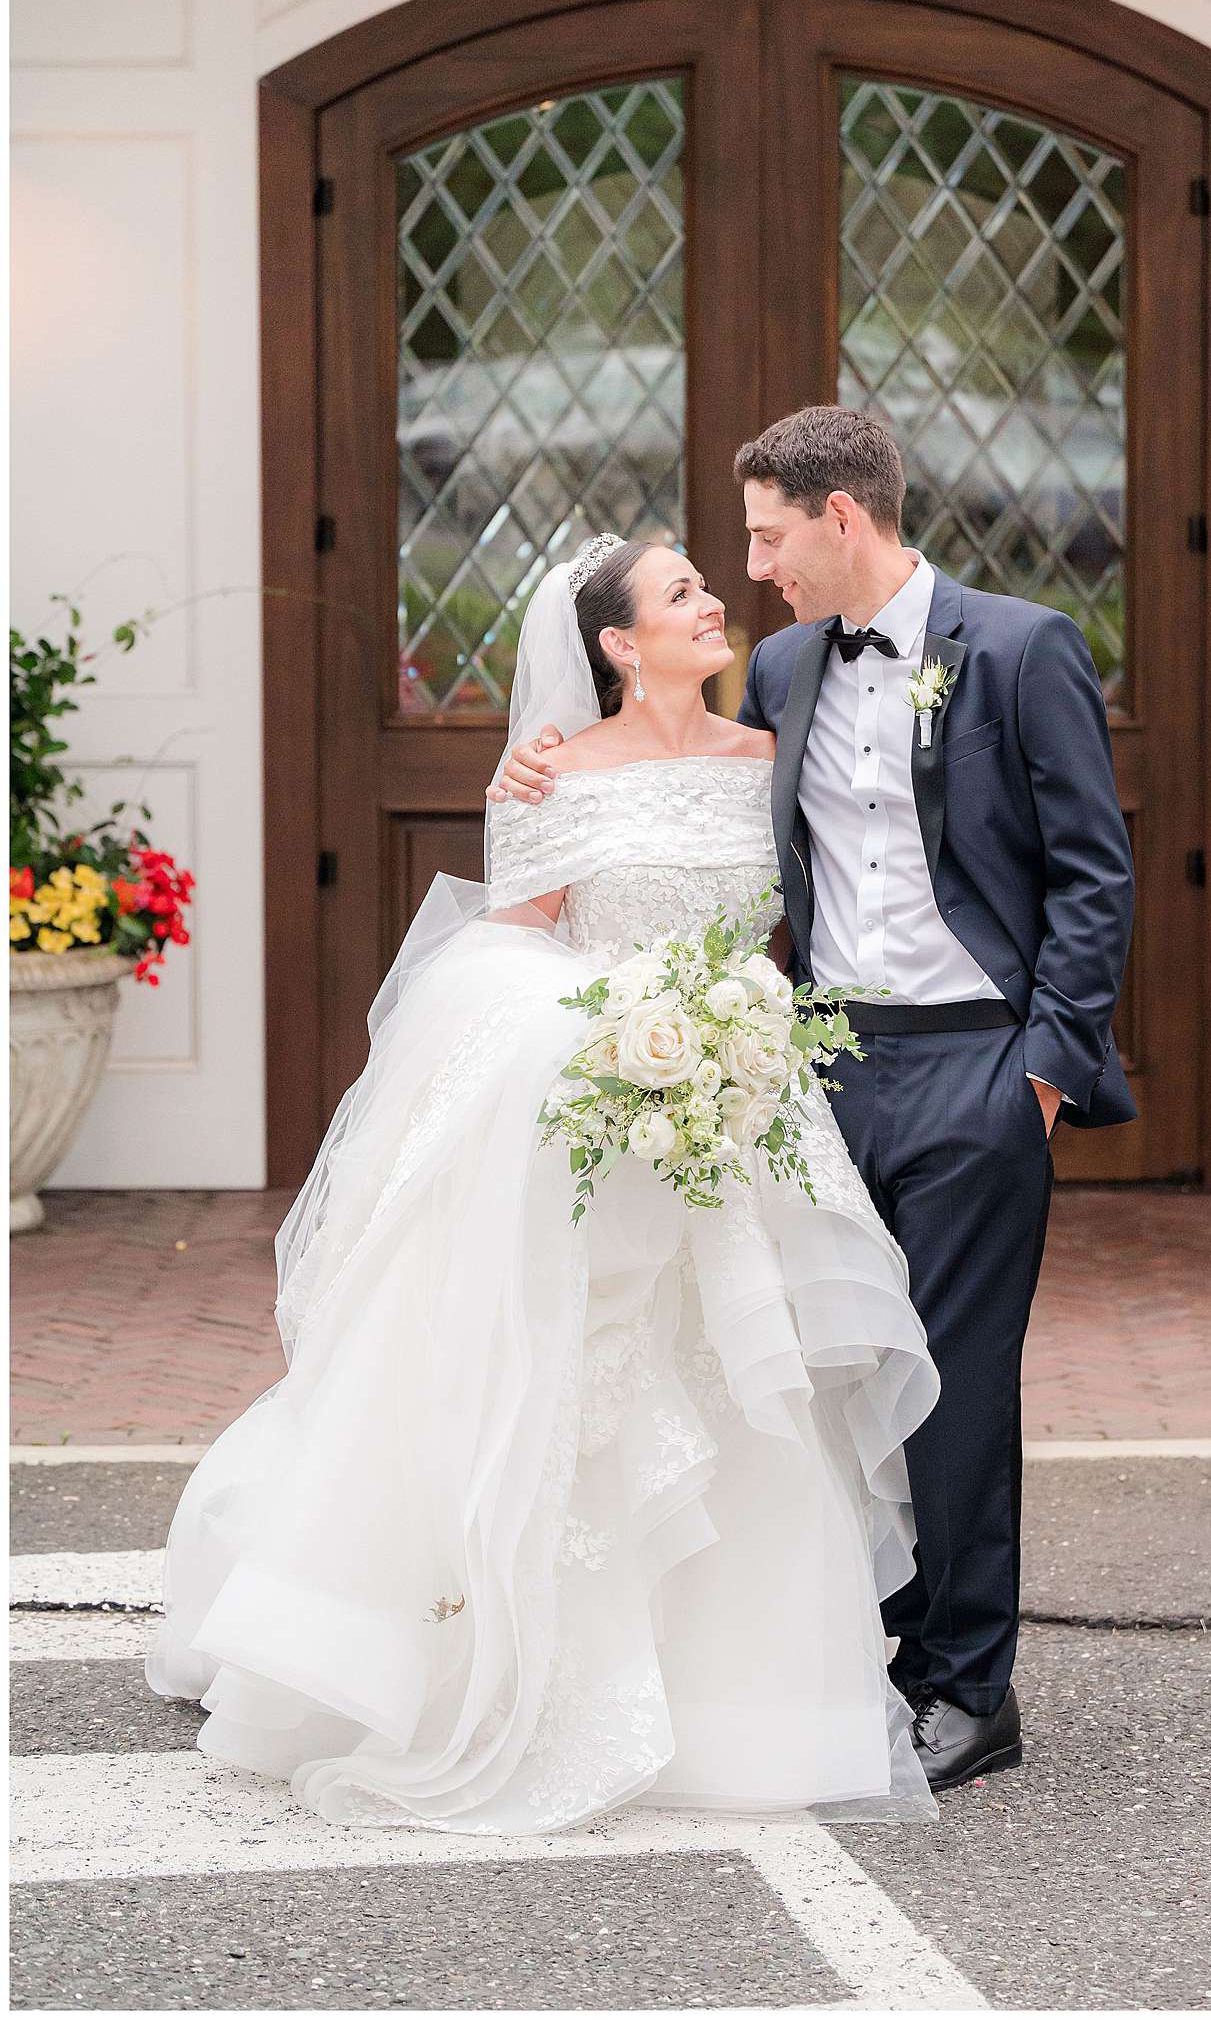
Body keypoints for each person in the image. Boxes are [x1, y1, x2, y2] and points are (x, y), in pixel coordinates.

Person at [144, 532, 943, 1832]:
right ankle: (516, 1674)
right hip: (599, 1108)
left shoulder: (766, 761)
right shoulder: (548, 778)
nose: (713, 598)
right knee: (578, 1398)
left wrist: (730, 1041)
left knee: (739, 1395)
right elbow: (502, 962)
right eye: (682, 590)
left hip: (736, 1101)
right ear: (620, 645)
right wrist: (616, 1036)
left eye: (707, 580)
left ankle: (730, 1702)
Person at [493, 405, 1137, 1793]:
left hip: (977, 1060)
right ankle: (863, 1651)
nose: (756, 564)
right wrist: (535, 771)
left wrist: (1041, 1067)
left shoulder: (1020, 650)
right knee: (832, 1373)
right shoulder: (780, 669)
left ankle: (968, 1687)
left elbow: (1096, 872)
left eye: (769, 533)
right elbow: (672, 785)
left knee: (958, 1383)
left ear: (842, 518)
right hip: (818, 1065)